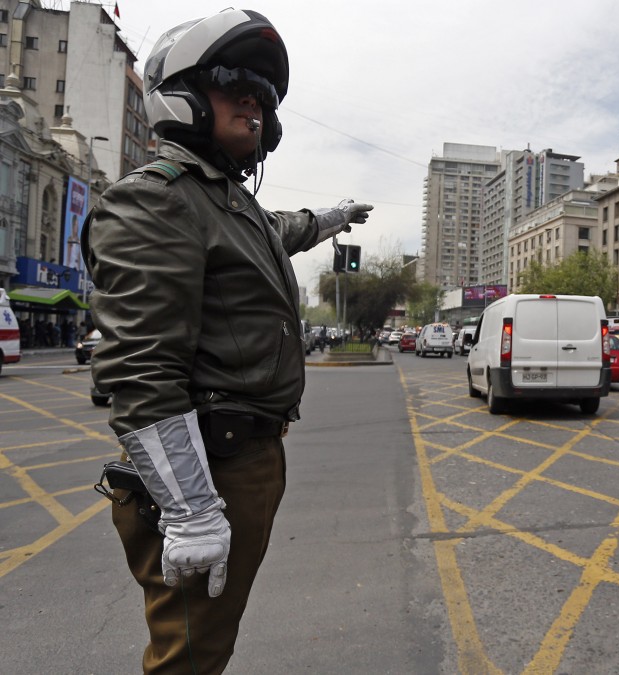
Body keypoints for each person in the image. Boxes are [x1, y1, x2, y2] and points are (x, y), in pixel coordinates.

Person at [85, 9, 372, 672]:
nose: (256, 101)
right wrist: (190, 509)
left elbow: (285, 228)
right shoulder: (157, 200)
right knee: (191, 655)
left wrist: (336, 217)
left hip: (246, 459)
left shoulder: (228, 205)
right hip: (206, 472)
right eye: (233, 82)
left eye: (265, 95)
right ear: (180, 98)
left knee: (209, 645)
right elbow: (139, 370)